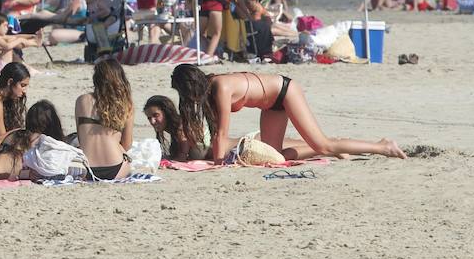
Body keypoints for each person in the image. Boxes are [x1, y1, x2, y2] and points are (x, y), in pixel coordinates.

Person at [171, 64, 406, 163]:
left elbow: (222, 133)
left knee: (324, 144)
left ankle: (383, 146)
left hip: (285, 92)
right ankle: (334, 147)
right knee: (277, 156)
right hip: (270, 105)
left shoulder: (220, 87)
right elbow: (214, 132)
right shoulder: (209, 92)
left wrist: (219, 164)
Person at [74, 58, 134, 180]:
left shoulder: (82, 100)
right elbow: (127, 144)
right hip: (116, 168)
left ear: (96, 79)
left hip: (87, 169)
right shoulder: (126, 104)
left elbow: (81, 138)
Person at [144, 94, 202, 161]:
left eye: (156, 115)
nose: (152, 121)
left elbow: (183, 154)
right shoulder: (173, 126)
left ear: (167, 113)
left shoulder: (180, 125)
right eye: (149, 118)